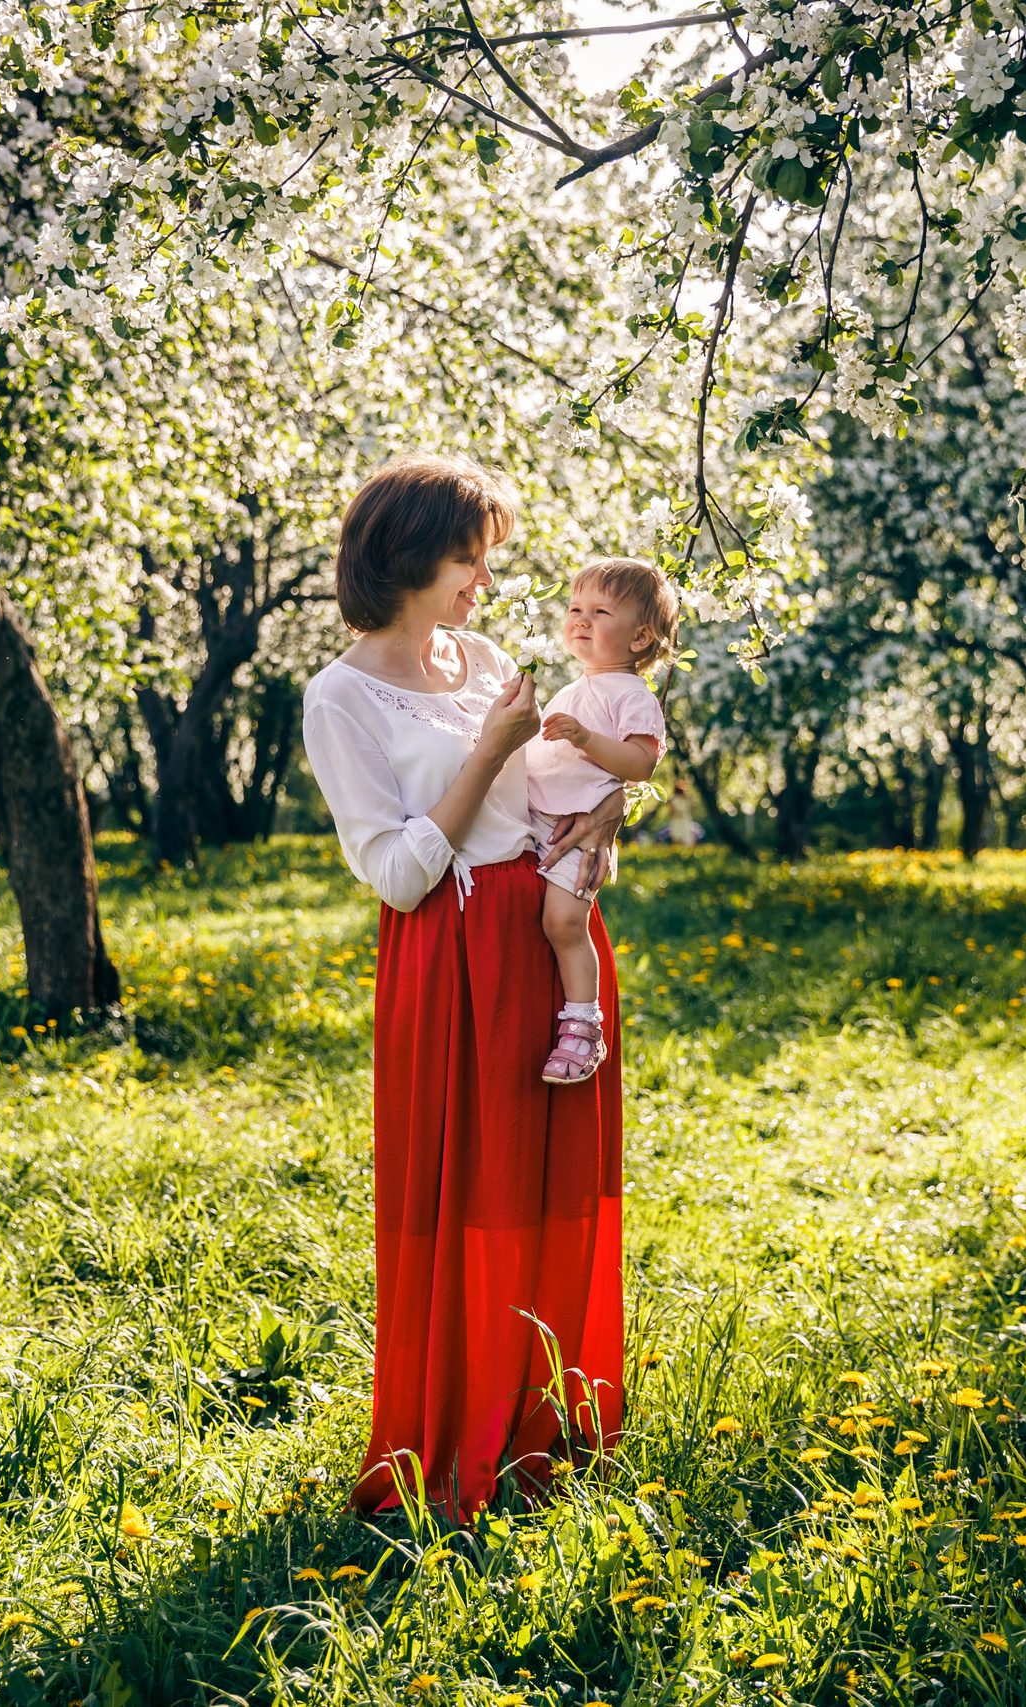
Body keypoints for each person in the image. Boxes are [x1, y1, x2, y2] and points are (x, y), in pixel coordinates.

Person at [299, 452, 629, 1522]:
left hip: (542, 934)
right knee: (471, 1194)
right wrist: (485, 754)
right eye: (467, 560)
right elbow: (395, 873)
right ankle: (457, 1437)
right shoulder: (341, 696)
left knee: (547, 1186)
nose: (484, 582)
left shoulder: (481, 655)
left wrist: (605, 813)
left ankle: (546, 1422)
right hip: (450, 957)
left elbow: (557, 780)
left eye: (486, 561)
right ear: (403, 560)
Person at [526, 558, 677, 1083]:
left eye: (599, 611)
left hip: (575, 835)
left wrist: (586, 739)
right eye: (574, 609)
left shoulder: (633, 695)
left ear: (639, 638)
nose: (580, 620)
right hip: (538, 822)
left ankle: (584, 1026)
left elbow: (640, 764)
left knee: (563, 923)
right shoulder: (574, 688)